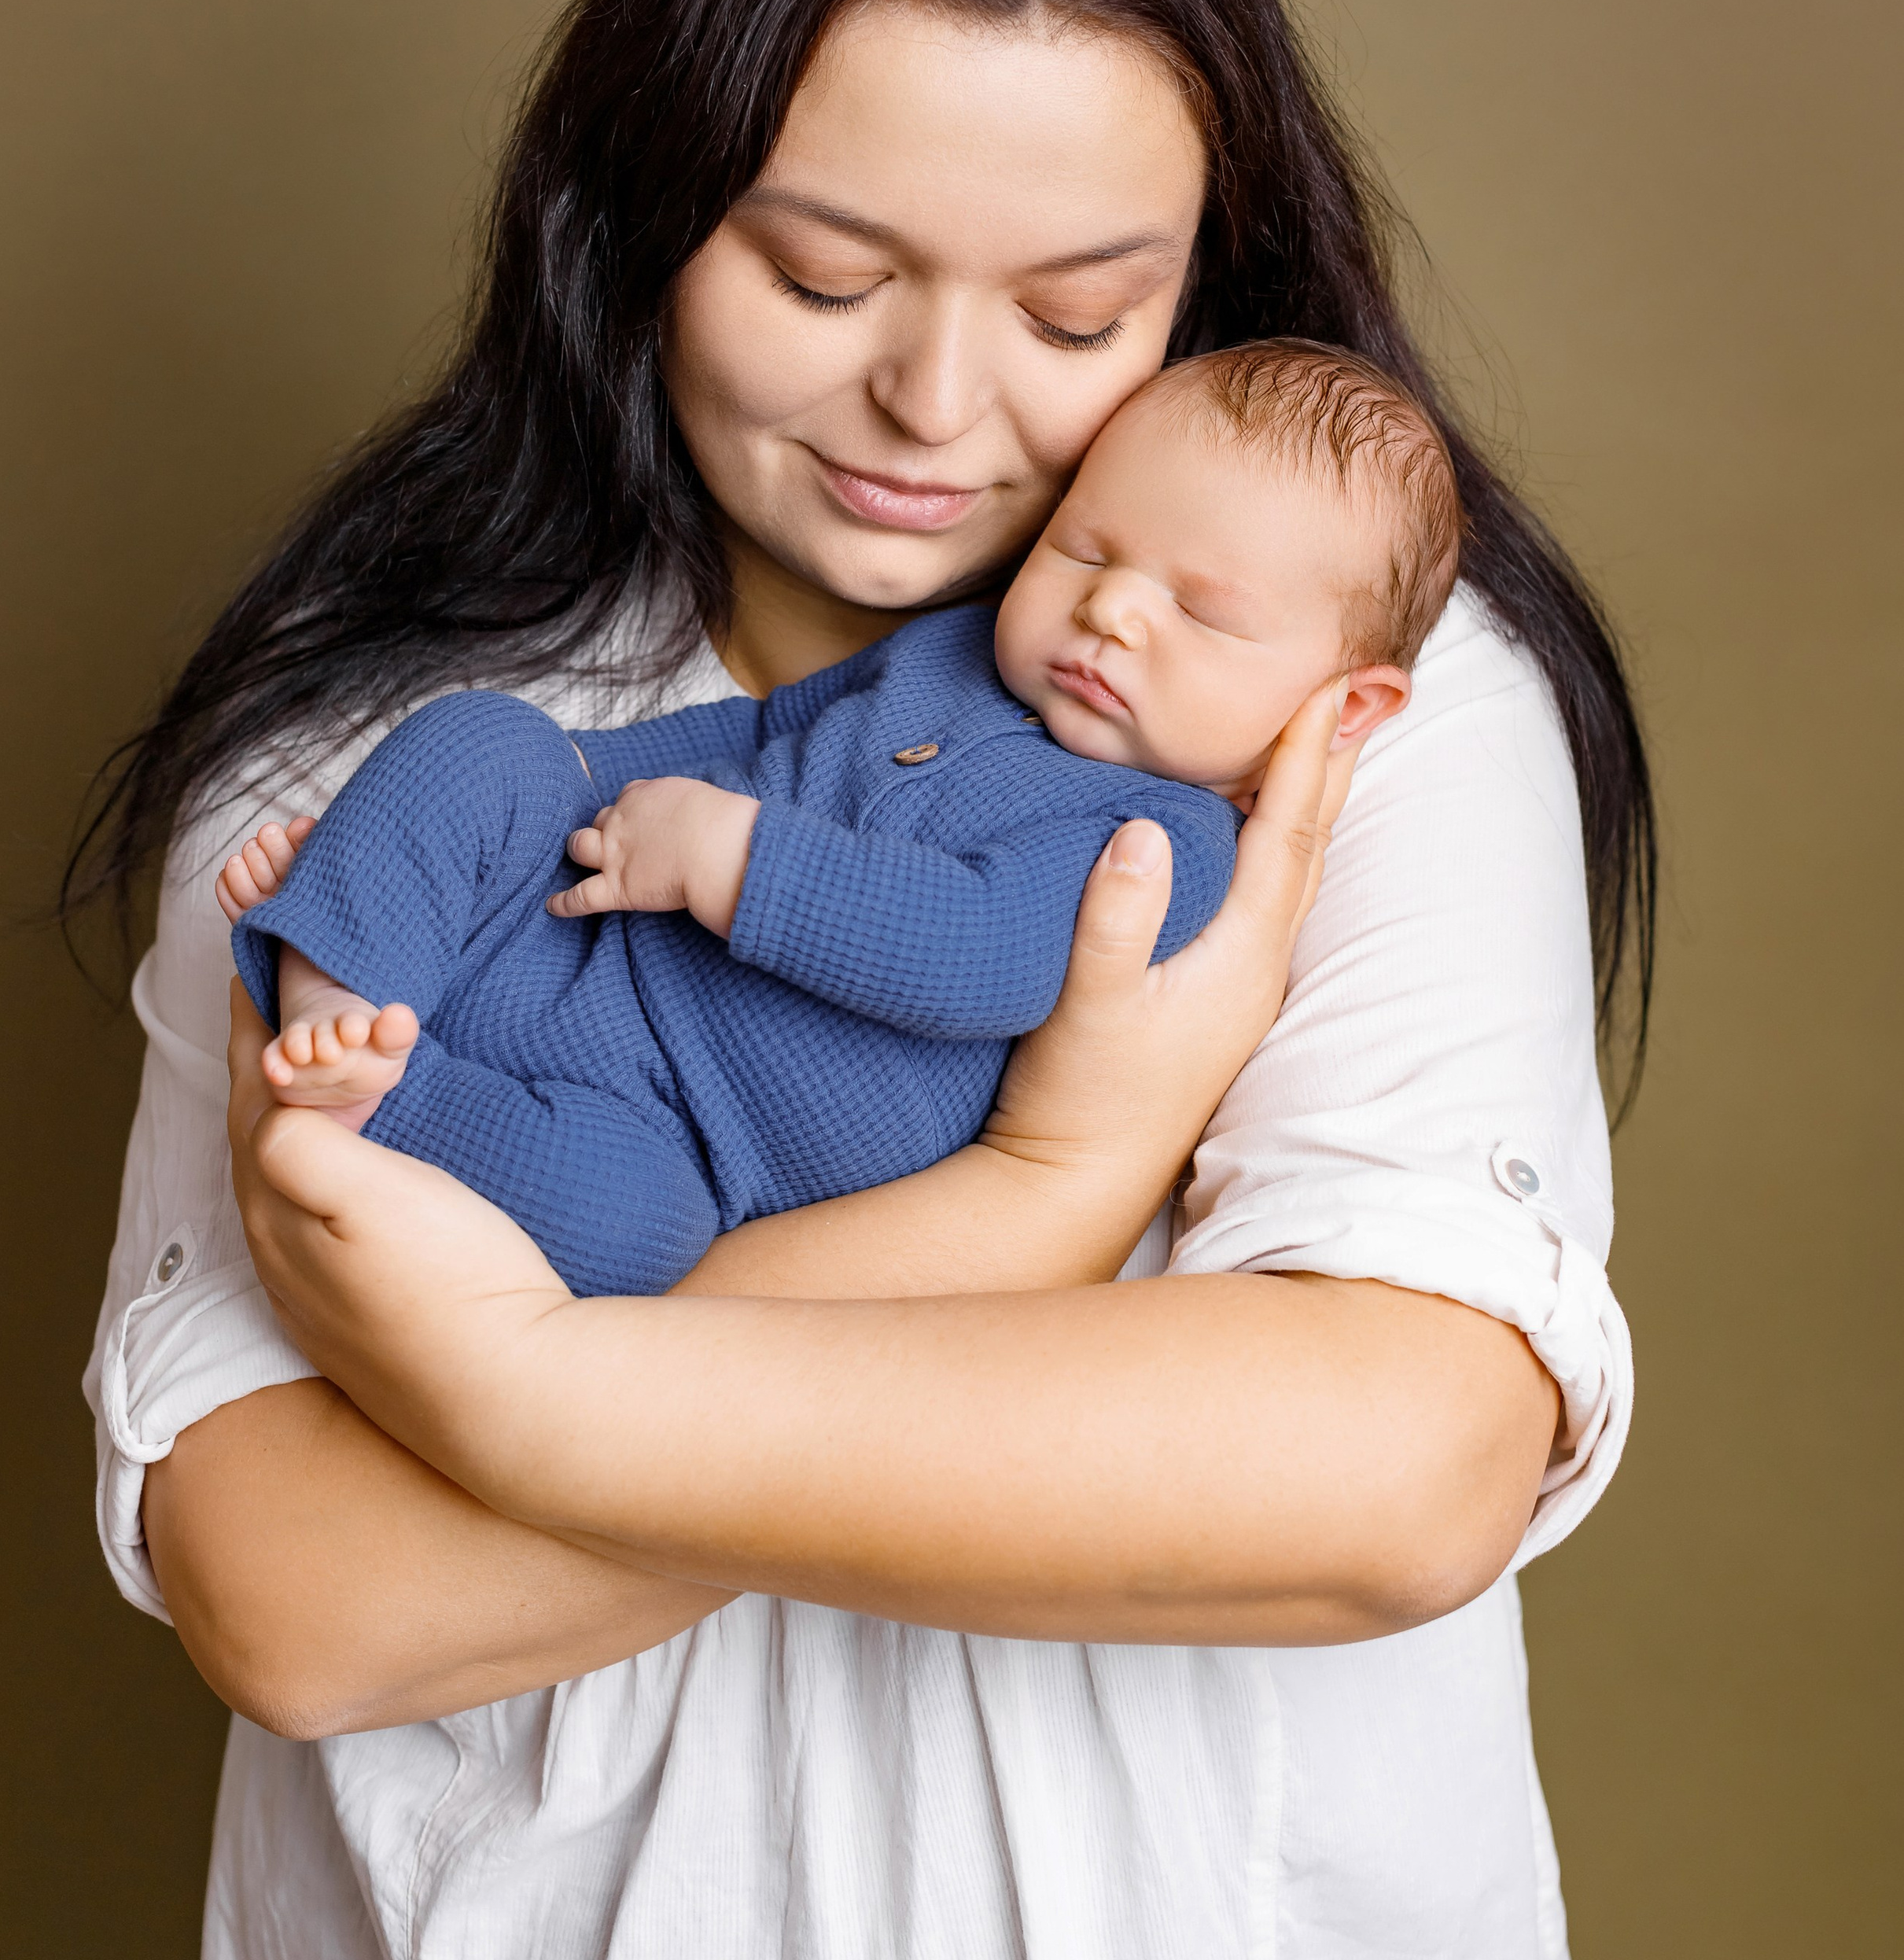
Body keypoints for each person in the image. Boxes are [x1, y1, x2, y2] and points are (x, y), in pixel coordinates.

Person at [75, 0, 1649, 1960]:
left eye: (1078, 312)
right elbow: (307, 1599)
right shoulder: (372, 756)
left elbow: (1396, 1467)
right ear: (639, 210)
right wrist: (1066, 1186)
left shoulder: (1333, 709)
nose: (934, 399)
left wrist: (506, 1390)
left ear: (1203, 298)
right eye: (825, 273)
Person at [216, 341, 1453, 1299]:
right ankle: (341, 971)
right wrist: (546, 792)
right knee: (484, 739)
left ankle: (390, 1092)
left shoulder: (1170, 841)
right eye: (1086, 550)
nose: (1113, 613)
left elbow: (979, 952)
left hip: (682, 1128)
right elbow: (743, 738)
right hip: (567, 918)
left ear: (1349, 706)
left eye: (1204, 611)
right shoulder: (956, 650)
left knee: (631, 1236)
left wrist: (739, 860)